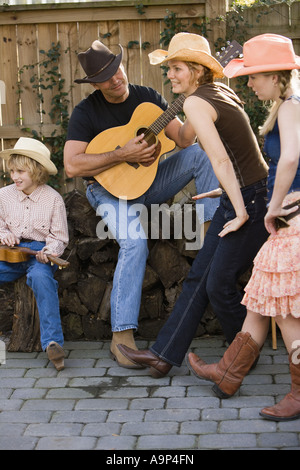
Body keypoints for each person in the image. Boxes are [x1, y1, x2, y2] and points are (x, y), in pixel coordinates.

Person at [117, 32, 269, 376]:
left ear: (197, 71)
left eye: (177, 68)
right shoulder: (213, 93)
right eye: (169, 68)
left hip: (250, 200)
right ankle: (163, 355)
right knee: (199, 277)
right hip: (242, 194)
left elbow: (221, 161)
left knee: (217, 283)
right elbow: (200, 143)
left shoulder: (198, 102)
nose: (169, 74)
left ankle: (243, 355)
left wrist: (241, 209)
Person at [63, 39, 219, 368]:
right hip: (108, 191)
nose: (115, 78)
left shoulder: (147, 97)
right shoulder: (86, 111)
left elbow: (184, 139)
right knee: (134, 243)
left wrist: (196, 99)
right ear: (94, 83)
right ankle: (121, 337)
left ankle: (212, 236)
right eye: (105, 76)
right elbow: (73, 165)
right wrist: (123, 154)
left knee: (200, 154)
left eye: (116, 69)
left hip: (149, 184)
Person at [186, 33, 300, 422]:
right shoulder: (289, 106)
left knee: (284, 309)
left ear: (275, 75)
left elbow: (289, 162)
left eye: (254, 76)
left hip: (289, 221)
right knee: (261, 297)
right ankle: (230, 373)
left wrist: (272, 207)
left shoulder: (289, 106)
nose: (248, 84)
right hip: (289, 216)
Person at [0, 137, 69, 371]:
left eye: (20, 171)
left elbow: (59, 237)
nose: (15, 176)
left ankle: (53, 344)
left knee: (41, 279)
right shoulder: (4, 196)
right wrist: (4, 235)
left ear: (37, 171)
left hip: (39, 253)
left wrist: (49, 251)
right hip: (10, 254)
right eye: (12, 171)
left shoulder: (53, 199)